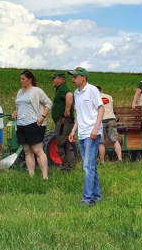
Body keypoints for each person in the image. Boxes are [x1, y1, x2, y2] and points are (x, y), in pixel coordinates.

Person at [67, 67, 105, 207]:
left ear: (83, 77)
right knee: (91, 166)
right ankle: (97, 196)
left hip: (92, 133)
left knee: (87, 167)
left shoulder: (92, 90)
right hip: (82, 133)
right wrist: (73, 131)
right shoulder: (76, 93)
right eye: (72, 77)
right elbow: (79, 115)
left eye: (75, 76)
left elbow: (101, 108)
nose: (73, 79)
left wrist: (96, 128)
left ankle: (87, 199)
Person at [11, 70, 52, 179]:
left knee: (38, 150)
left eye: (23, 79)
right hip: (21, 124)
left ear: (30, 79)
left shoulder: (36, 91)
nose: (21, 81)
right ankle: (31, 175)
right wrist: (16, 112)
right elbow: (20, 105)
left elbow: (48, 103)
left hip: (34, 124)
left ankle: (45, 176)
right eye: (20, 79)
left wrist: (42, 117)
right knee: (27, 151)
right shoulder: (20, 92)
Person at [50, 71, 77, 170]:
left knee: (61, 143)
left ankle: (66, 166)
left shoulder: (63, 88)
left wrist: (66, 111)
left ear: (61, 80)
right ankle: (70, 166)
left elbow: (69, 95)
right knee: (66, 143)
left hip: (63, 122)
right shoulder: (59, 89)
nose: (52, 80)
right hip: (64, 122)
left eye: (54, 78)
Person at [97, 86, 122, 162]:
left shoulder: (95, 98)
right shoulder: (109, 97)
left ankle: (102, 162)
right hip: (111, 119)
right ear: (102, 90)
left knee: (101, 142)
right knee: (115, 140)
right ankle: (120, 159)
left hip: (101, 120)